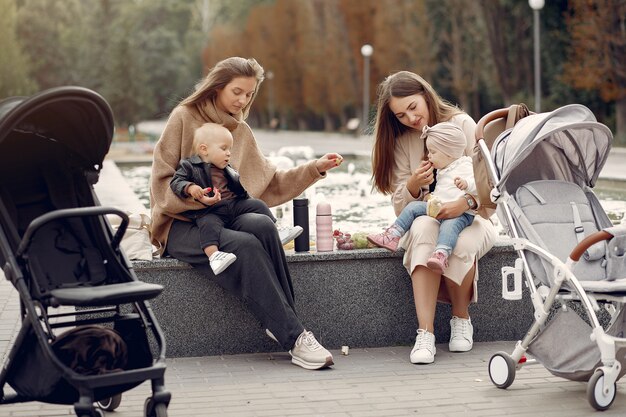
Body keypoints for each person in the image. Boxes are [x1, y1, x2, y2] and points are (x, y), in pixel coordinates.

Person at [150, 57, 344, 370]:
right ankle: (294, 337)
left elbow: (269, 183)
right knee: (245, 245)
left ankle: (284, 325)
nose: (242, 101)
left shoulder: (240, 131)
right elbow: (161, 185)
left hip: (226, 214)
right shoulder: (183, 118)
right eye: (237, 92)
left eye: (249, 95)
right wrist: (201, 199)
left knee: (263, 226)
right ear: (216, 88)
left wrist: (314, 168)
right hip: (182, 225)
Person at [371, 71, 496, 364]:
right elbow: (402, 207)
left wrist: (465, 202)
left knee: (462, 244)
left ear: (426, 95)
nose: (410, 118)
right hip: (429, 214)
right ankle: (424, 333)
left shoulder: (462, 125)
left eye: (413, 107)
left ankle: (461, 319)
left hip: (476, 217)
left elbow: (491, 186)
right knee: (424, 229)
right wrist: (414, 184)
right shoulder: (403, 141)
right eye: (401, 115)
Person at [367, 122, 477, 275]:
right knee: (413, 207)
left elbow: (479, 185)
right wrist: (430, 196)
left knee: (449, 227)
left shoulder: (465, 165)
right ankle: (392, 235)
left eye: (432, 152)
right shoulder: (443, 169)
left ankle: (441, 254)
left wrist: (466, 184)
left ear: (449, 153)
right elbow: (444, 190)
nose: (429, 155)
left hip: (461, 214)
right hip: (441, 207)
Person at [170, 122, 277, 275]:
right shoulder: (190, 165)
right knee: (207, 225)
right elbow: (176, 181)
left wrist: (244, 198)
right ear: (204, 149)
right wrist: (191, 188)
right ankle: (214, 256)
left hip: (233, 204)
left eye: (230, 149)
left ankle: (276, 229)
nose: (228, 153)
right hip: (211, 210)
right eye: (223, 148)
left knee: (258, 205)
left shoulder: (227, 168)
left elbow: (237, 188)